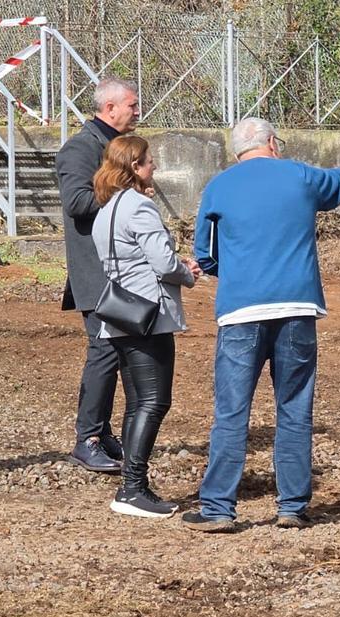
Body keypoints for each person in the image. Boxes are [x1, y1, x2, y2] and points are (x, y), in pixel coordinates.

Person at [182, 117, 340, 532]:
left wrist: (239, 271)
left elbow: (206, 256)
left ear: (238, 153)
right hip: (297, 307)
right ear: (272, 143)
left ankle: (217, 510)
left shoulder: (218, 187)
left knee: (231, 411)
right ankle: (292, 507)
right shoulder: (300, 176)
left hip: (241, 311)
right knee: (295, 407)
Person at [91, 136, 201, 518]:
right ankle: (132, 488)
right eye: (150, 161)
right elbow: (162, 264)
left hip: (120, 315)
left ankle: (134, 486)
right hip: (148, 316)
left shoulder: (106, 209)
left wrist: (173, 263)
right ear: (135, 166)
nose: (154, 166)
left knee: (139, 401)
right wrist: (186, 272)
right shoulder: (139, 206)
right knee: (155, 401)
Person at [56, 77, 142, 473]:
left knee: (119, 350)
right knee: (104, 352)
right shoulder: (80, 148)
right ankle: (87, 438)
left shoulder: (111, 147)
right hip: (96, 273)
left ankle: (103, 432)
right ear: (109, 109)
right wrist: (127, 189)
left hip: (120, 272)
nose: (137, 112)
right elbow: (77, 202)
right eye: (132, 105)